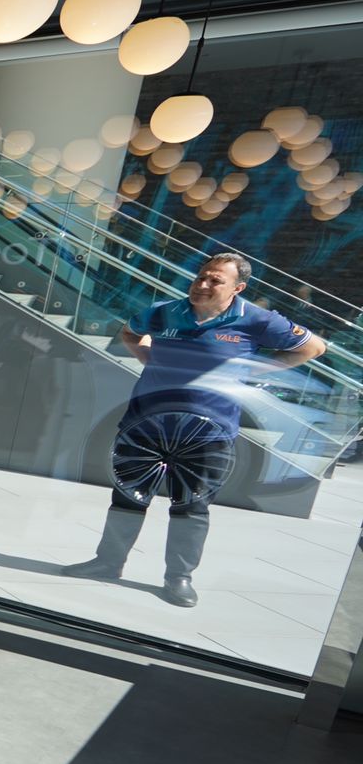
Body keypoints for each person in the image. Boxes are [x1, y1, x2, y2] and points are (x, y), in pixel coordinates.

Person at [62, 252, 326, 608]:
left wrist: (254, 370)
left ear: (238, 288)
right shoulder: (164, 311)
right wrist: (148, 359)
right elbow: (130, 332)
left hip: (208, 433)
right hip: (147, 422)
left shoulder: (257, 320)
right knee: (127, 496)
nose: (203, 284)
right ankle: (108, 563)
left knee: (191, 505)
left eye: (216, 280)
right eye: (201, 276)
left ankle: (179, 578)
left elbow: (313, 348)